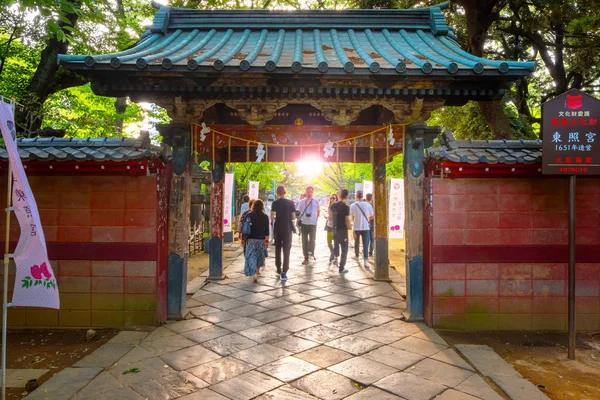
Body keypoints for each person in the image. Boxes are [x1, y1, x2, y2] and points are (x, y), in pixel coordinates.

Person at [270, 185, 296, 281]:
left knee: (277, 248)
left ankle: (278, 268)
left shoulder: (275, 203)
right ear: (285, 192)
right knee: (286, 250)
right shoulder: (290, 203)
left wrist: (278, 217)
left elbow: (272, 217)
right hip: (287, 229)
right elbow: (293, 217)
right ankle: (284, 270)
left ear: (277, 193)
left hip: (278, 228)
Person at [242, 199, 270, 283]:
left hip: (250, 239)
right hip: (260, 239)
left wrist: (243, 239)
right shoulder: (265, 216)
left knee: (251, 256)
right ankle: (257, 271)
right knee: (259, 256)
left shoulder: (249, 215)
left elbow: (244, 228)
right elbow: (267, 231)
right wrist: (266, 241)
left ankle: (254, 274)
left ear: (253, 206)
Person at [329, 189, 351, 275]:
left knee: (336, 244)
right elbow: (347, 220)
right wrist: (350, 227)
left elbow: (330, 217)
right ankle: (341, 268)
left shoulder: (333, 205)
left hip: (334, 229)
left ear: (339, 196)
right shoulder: (346, 207)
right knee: (344, 249)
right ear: (347, 196)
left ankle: (335, 259)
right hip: (343, 231)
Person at [296, 186, 320, 265]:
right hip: (304, 223)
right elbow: (298, 212)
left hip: (313, 224)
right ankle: (305, 258)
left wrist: (316, 219)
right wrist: (298, 220)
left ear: (313, 193)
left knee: (312, 240)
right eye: (308, 191)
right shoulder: (302, 201)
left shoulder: (316, 201)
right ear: (305, 192)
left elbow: (318, 210)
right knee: (304, 241)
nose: (309, 193)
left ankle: (311, 252)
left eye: (311, 192)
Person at [350, 189, 374, 265]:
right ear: (363, 196)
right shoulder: (368, 205)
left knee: (356, 242)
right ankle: (365, 260)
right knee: (365, 243)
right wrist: (367, 219)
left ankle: (356, 256)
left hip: (356, 227)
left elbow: (352, 217)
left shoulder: (353, 205)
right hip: (366, 227)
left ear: (356, 196)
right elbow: (372, 216)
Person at [325, 193, 338, 264]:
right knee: (329, 242)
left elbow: (330, 217)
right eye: (331, 198)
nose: (332, 199)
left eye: (334, 198)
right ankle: (332, 253)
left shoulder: (337, 207)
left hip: (335, 227)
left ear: (336, 199)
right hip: (330, 227)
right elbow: (330, 218)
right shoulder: (329, 207)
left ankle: (335, 256)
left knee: (335, 242)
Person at [366, 193, 374, 257]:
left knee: (367, 238)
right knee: (372, 239)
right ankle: (370, 252)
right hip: (372, 224)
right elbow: (373, 216)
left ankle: (366, 251)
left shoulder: (364, 205)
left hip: (365, 224)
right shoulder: (373, 206)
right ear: (372, 198)